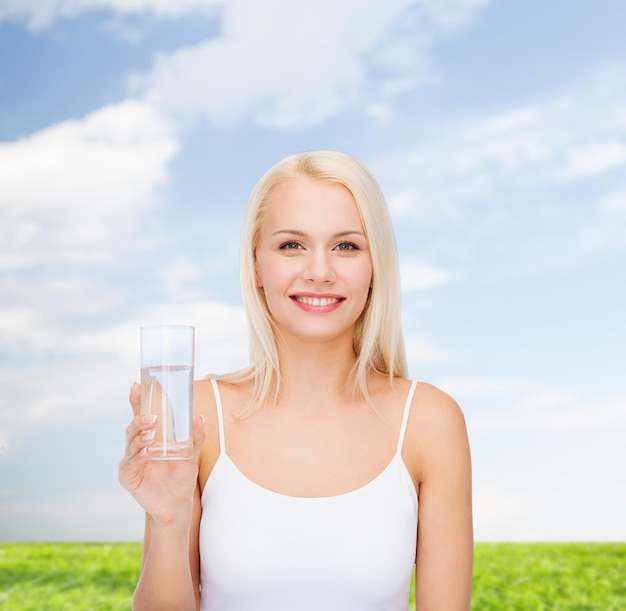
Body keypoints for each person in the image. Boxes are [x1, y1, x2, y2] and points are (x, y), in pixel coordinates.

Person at [119, 150, 473, 610]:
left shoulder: (429, 422)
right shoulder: (199, 416)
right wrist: (166, 520)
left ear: (375, 267)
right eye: (292, 245)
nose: (320, 272)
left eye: (346, 246)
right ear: (257, 267)